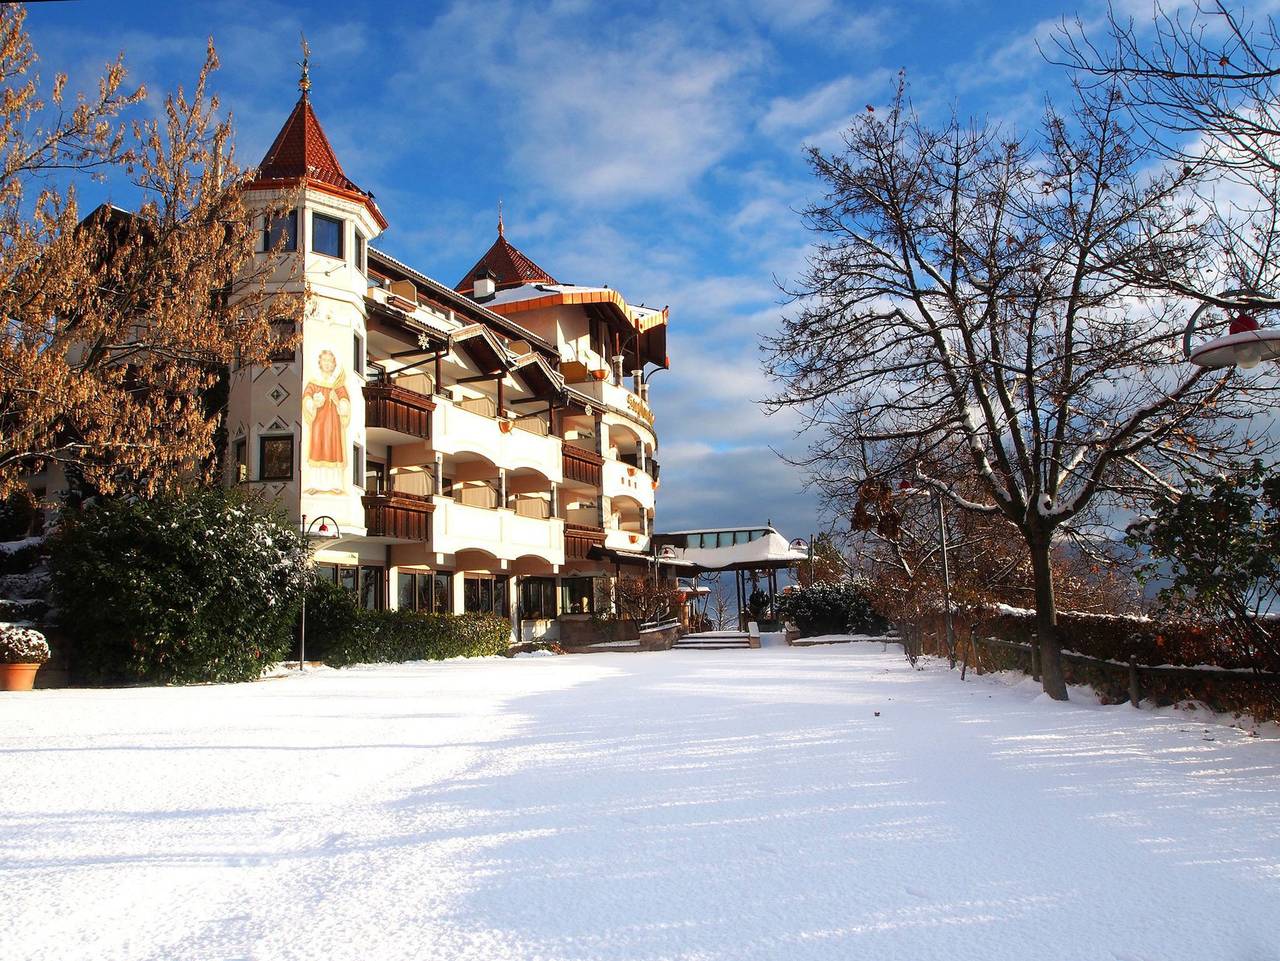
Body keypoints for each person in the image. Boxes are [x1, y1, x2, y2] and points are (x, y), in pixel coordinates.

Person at [302, 348, 350, 494]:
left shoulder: (338, 384)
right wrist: (313, 403)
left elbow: (345, 402)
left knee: (333, 448)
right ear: (320, 363)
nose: (327, 363)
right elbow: (306, 397)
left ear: (334, 364)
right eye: (325, 360)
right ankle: (314, 484)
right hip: (318, 423)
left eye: (330, 361)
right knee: (317, 448)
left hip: (333, 423)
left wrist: (338, 401)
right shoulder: (314, 382)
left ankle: (335, 484)